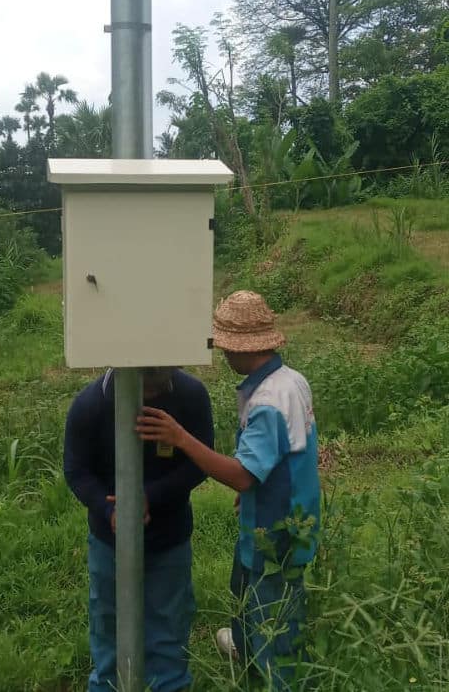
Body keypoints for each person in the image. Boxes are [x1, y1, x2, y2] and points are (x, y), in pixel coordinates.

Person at [137, 291, 320, 691]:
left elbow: (240, 474)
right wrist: (257, 488)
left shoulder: (269, 402)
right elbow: (292, 455)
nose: (223, 356)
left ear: (240, 350)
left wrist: (180, 438)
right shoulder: (292, 381)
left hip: (276, 532)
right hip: (289, 511)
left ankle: (276, 674)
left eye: (225, 348)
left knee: (272, 610)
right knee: (245, 589)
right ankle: (244, 644)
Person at [64, 366, 214, 692]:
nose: (152, 397)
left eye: (160, 386)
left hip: (169, 538)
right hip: (109, 543)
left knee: (168, 631)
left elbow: (200, 463)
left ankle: (170, 685)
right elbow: (76, 470)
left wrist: (150, 497)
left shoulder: (190, 396)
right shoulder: (91, 405)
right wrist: (110, 509)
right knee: (109, 629)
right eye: (146, 387)